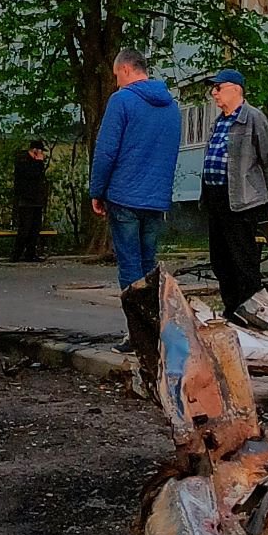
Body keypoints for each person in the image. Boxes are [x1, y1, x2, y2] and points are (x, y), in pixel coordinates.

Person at [88, 50, 182, 377]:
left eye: (116, 75)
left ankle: (137, 334)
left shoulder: (122, 101)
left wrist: (97, 191)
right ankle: (155, 329)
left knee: (130, 266)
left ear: (126, 69)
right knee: (148, 263)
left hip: (125, 195)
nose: (116, 82)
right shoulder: (172, 106)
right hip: (156, 199)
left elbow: (106, 150)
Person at [198, 68, 268, 324]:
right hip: (216, 196)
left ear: (235, 89)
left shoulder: (253, 118)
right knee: (220, 258)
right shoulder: (219, 121)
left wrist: (253, 190)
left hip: (242, 200)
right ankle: (232, 309)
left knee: (242, 258)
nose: (214, 93)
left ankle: (251, 309)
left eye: (218, 88)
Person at [9, 141, 50, 262]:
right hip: (26, 200)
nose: (42, 154)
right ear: (35, 150)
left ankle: (30, 254)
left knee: (35, 228)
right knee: (25, 228)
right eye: (41, 151)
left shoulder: (37, 163)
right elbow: (31, 175)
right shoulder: (23, 160)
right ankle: (16, 255)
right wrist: (38, 162)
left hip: (36, 199)